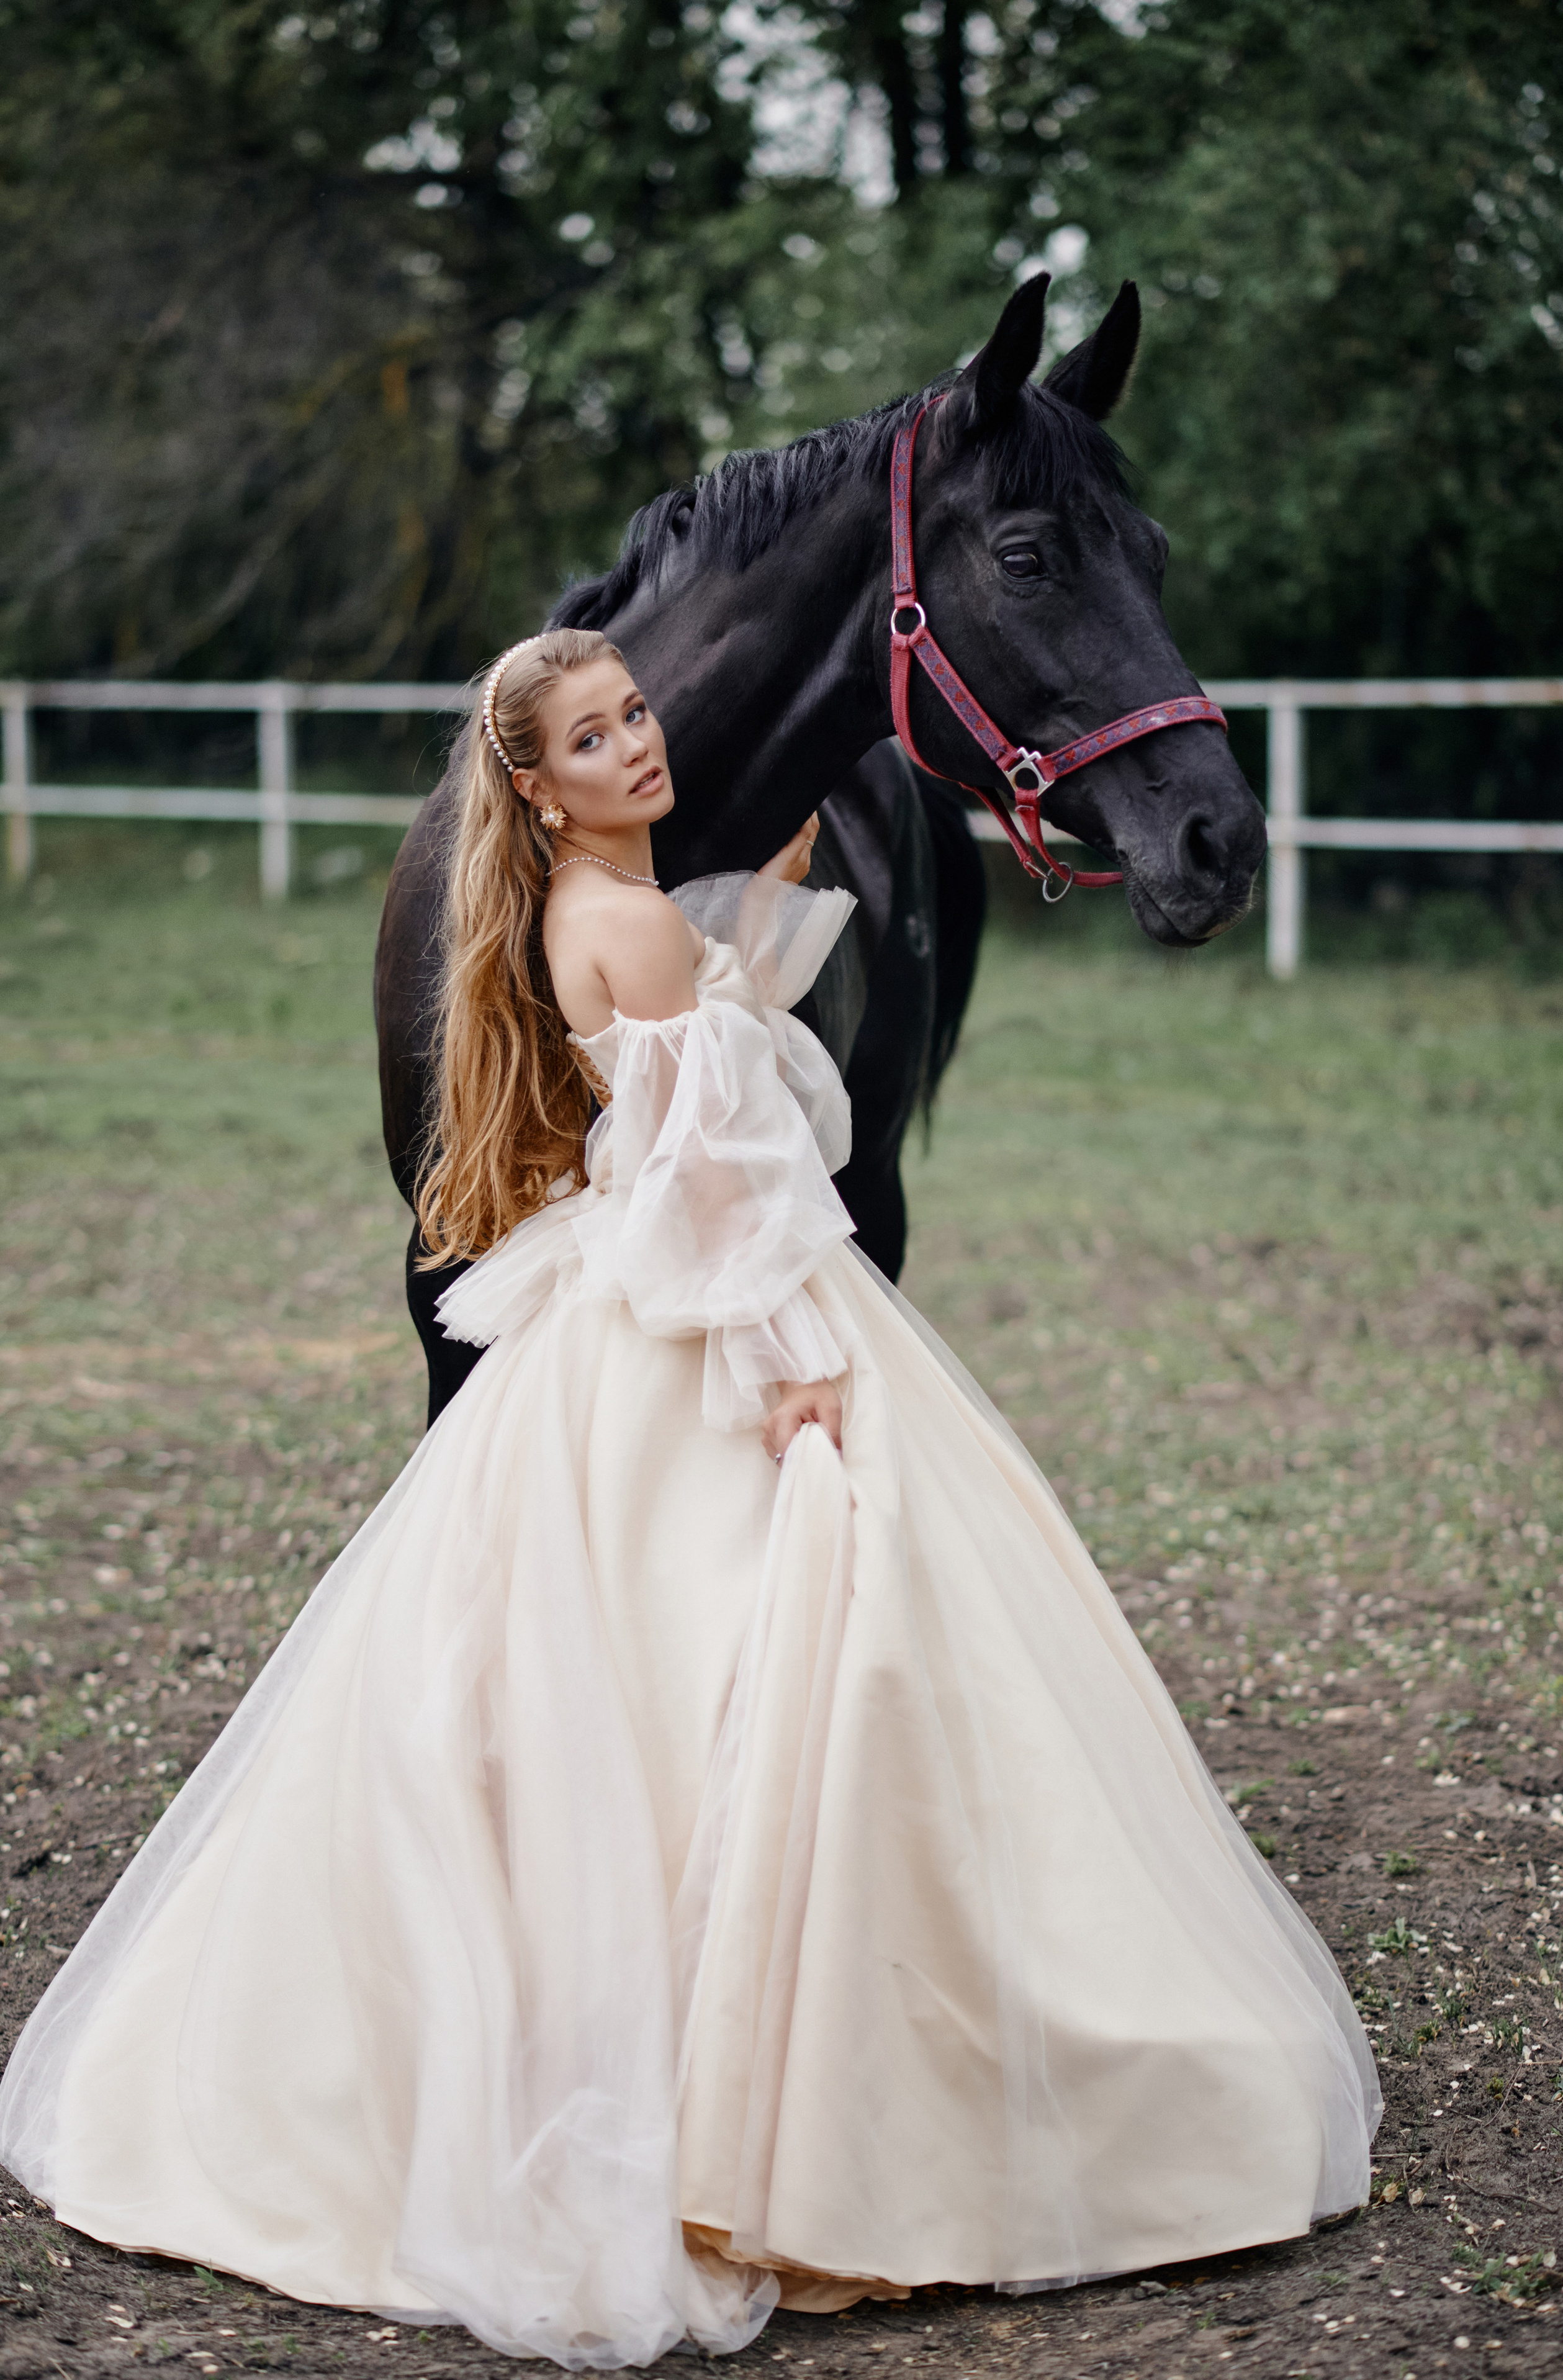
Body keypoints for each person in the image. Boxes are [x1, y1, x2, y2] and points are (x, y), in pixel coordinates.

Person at [0, 629, 1381, 2369]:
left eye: (638, 712)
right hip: (719, 1319)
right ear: (537, 782)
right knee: (811, 1656)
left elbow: (678, 1041)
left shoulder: (594, 918)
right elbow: (726, 1189)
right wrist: (801, 1366)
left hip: (597, 1317)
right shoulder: (632, 927)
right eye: (595, 737)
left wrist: (756, 917)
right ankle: (810, 2100)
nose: (641, 745)